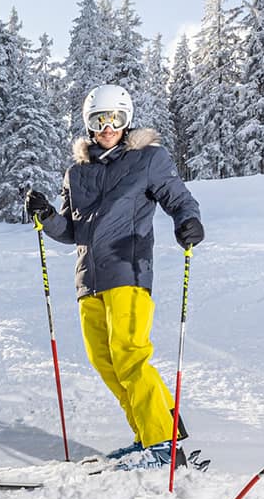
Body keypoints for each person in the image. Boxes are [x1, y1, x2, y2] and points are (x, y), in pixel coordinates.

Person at [27, 84, 204, 468]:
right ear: (88, 125)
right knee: (105, 361)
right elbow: (72, 231)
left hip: (128, 270)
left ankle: (162, 445)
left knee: (130, 358)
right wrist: (47, 218)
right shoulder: (77, 173)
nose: (108, 127)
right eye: (99, 120)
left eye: (115, 119)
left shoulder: (148, 159)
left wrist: (188, 221)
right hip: (88, 280)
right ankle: (149, 435)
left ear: (127, 120)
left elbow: (177, 197)